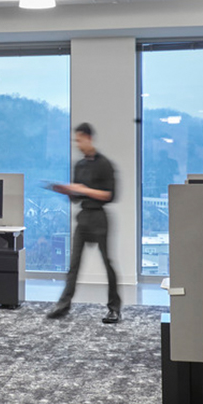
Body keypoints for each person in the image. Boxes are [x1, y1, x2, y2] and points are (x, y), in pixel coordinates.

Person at [46, 123, 122, 324]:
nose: (77, 144)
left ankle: (114, 308)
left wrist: (84, 189)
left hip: (99, 218)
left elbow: (110, 195)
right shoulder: (79, 165)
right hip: (84, 217)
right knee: (74, 264)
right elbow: (76, 198)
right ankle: (63, 305)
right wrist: (68, 191)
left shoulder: (104, 164)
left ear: (89, 138)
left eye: (79, 140)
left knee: (107, 264)